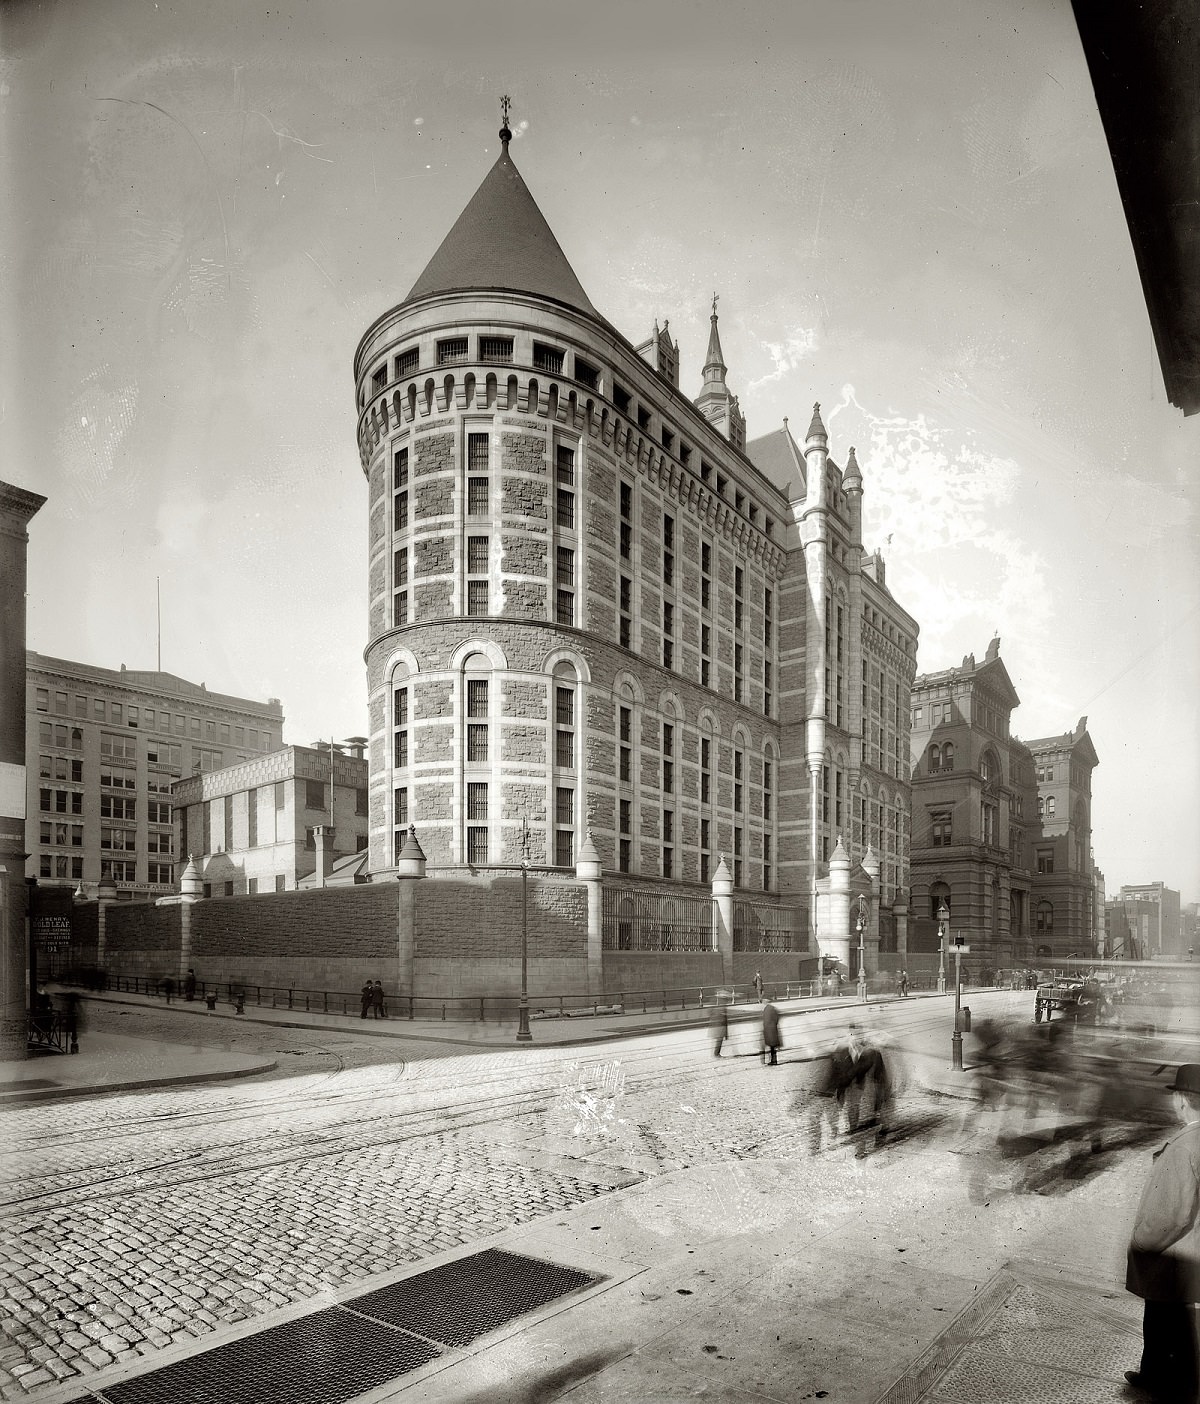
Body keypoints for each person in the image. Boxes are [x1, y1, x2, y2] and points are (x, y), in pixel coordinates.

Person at [1125, 1063, 1200, 1403]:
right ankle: (1158, 1373)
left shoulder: (1185, 1146)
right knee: (1169, 1319)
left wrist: (1142, 1242)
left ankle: (1167, 1382)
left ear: (1182, 1101)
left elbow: (1174, 1215)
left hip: (1175, 1254)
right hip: (1187, 1254)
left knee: (1167, 1320)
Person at [761, 1001, 781, 1066]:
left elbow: (765, 1020)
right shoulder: (772, 1009)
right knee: (772, 1046)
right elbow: (777, 1018)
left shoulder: (767, 1009)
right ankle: (773, 1060)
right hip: (772, 1029)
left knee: (772, 1046)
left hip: (769, 1030)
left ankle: (774, 1060)